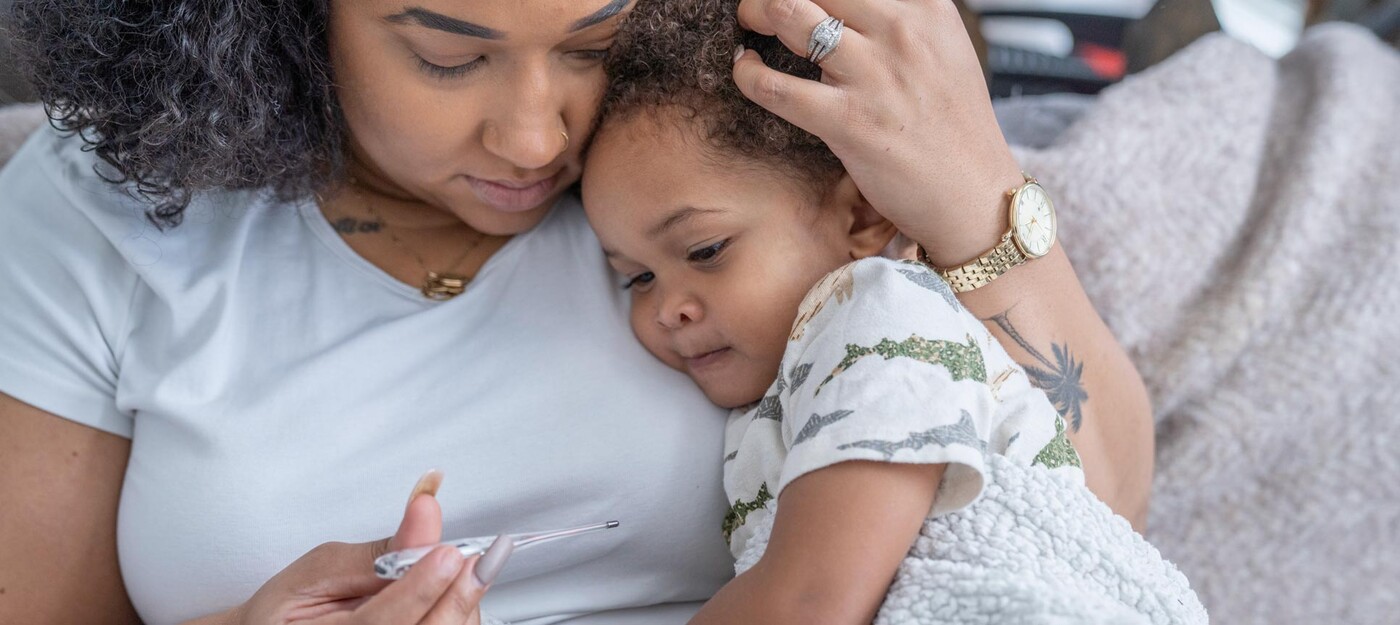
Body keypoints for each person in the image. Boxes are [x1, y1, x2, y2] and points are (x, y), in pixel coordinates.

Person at [0, 0, 1154, 623]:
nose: (535, 138)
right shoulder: (96, 214)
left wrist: (970, 189)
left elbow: (1078, 525)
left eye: (591, 45)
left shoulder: (718, 163)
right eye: (448, 57)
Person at [577, 2, 1199, 621]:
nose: (667, 310)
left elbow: (812, 601)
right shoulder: (794, 371)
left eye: (705, 250)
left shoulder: (877, 319)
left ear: (864, 218)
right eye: (637, 278)